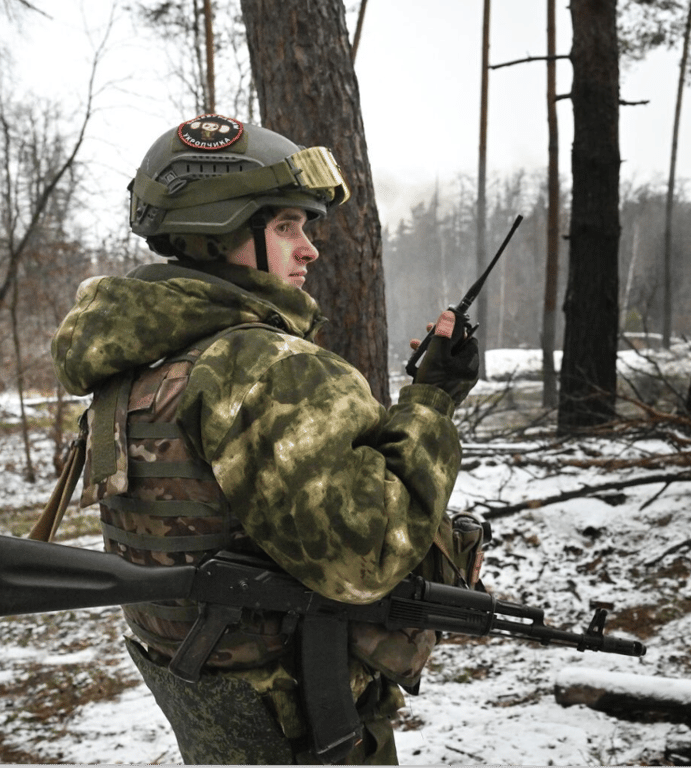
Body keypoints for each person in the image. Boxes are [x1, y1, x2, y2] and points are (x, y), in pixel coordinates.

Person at [51, 114, 480, 764]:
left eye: (303, 228)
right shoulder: (265, 368)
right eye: (285, 226)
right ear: (221, 230)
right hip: (303, 726)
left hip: (209, 707)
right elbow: (370, 557)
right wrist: (432, 402)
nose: (308, 248)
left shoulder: (139, 363)